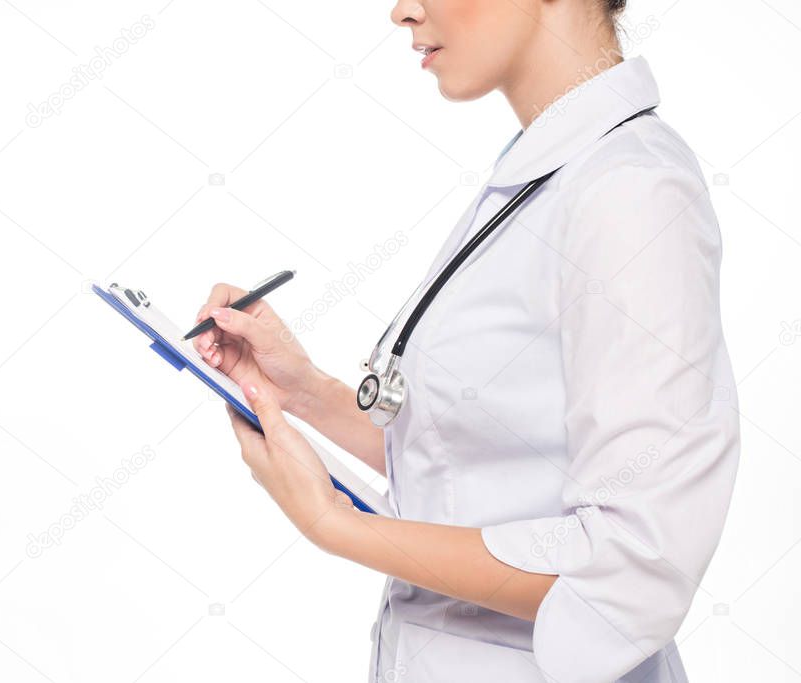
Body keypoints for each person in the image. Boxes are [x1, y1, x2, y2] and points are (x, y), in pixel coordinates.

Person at [191, 1, 739, 680]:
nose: (402, 10)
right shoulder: (551, 172)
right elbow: (481, 466)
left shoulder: (631, 191)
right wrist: (302, 390)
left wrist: (339, 524)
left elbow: (635, 563)